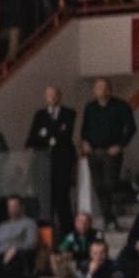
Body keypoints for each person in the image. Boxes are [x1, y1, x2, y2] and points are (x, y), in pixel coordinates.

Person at [80, 77, 137, 229]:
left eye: (104, 87)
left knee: (110, 184)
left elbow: (131, 127)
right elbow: (84, 129)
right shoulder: (90, 107)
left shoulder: (120, 106)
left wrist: (120, 145)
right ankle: (108, 217)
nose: (101, 90)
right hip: (94, 152)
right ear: (94, 90)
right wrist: (85, 142)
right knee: (99, 186)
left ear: (109, 90)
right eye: (98, 87)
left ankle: (129, 188)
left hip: (112, 151)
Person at [27, 86, 78, 236]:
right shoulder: (40, 114)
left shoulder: (69, 113)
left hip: (62, 164)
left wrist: (47, 135)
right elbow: (33, 138)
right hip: (44, 165)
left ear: (59, 96)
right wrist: (49, 137)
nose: (52, 98)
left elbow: (64, 134)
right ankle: (48, 237)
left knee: (63, 200)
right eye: (49, 95)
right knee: (45, 203)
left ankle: (68, 235)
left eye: (54, 95)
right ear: (45, 97)